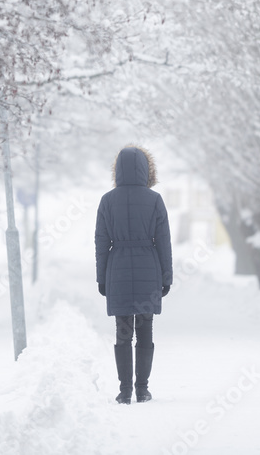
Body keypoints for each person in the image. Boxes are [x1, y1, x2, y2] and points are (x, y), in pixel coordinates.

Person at [95, 146, 173, 404]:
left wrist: (102, 278)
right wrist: (166, 276)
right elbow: (163, 241)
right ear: (146, 170)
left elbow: (101, 242)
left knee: (122, 331)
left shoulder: (107, 200)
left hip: (116, 268)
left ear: (117, 170)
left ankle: (124, 390)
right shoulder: (155, 200)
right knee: (146, 328)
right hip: (148, 269)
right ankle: (143, 388)